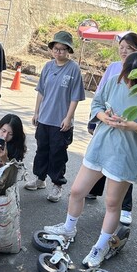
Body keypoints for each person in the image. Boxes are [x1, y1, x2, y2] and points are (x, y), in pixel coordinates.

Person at [43, 52, 137, 268]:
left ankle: (101, 245)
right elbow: (96, 105)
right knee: (77, 191)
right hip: (101, 146)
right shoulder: (113, 82)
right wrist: (103, 116)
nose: (128, 82)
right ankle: (69, 227)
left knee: (111, 203)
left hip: (125, 155)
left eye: (135, 80)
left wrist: (133, 126)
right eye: (127, 76)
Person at [86, 32, 137, 226]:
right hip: (107, 123)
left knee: (122, 169)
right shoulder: (112, 68)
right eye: (122, 47)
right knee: (101, 158)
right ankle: (93, 190)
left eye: (129, 48)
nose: (124, 51)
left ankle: (125, 207)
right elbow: (99, 96)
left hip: (127, 130)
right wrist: (95, 119)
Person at [24, 31, 86, 202]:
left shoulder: (73, 69)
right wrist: (36, 112)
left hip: (61, 121)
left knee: (58, 154)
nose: (58, 52)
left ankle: (57, 185)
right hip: (44, 118)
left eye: (62, 49)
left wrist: (68, 117)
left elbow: (75, 97)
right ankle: (40, 179)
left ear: (69, 51)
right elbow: (41, 92)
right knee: (41, 150)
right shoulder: (48, 66)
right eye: (56, 49)